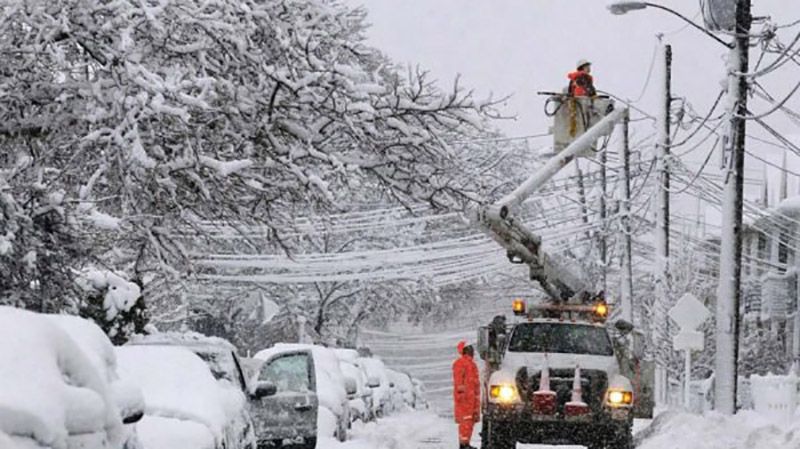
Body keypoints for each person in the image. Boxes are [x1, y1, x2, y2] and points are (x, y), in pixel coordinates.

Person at [453, 341, 480, 449]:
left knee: (470, 421)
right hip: (466, 399)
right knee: (466, 422)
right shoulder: (460, 363)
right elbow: (459, 381)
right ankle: (463, 444)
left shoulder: (471, 364)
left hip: (471, 398)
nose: (473, 351)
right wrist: (461, 395)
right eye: (470, 349)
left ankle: (466, 443)